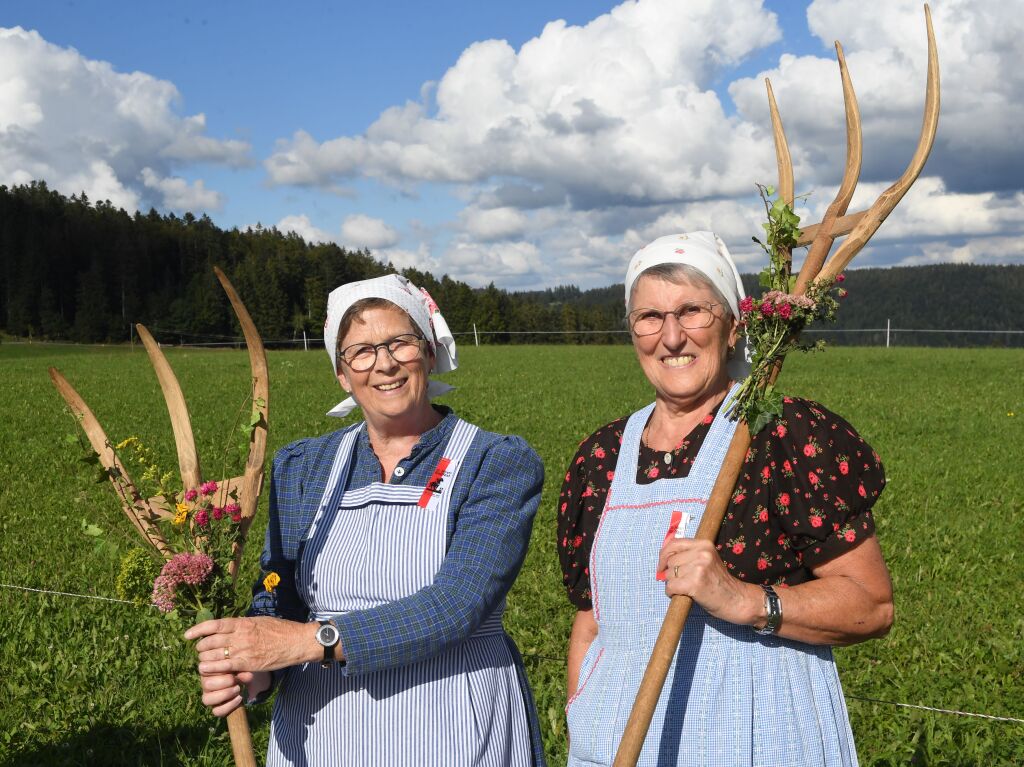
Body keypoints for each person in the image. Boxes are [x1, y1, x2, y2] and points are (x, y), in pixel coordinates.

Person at [558, 232, 893, 766]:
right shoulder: (600, 458)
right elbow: (592, 622)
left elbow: (871, 604)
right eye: (649, 317)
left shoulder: (782, 434)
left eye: (692, 311)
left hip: (758, 738)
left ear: (734, 327)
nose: (671, 337)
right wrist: (583, 722)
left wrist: (743, 599)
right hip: (617, 743)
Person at [185, 273, 547, 766]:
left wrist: (305, 641)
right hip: (324, 732)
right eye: (361, 351)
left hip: (453, 724)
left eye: (400, 343)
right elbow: (277, 591)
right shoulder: (303, 467)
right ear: (341, 372)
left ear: (431, 351)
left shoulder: (493, 462)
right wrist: (256, 671)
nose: (385, 364)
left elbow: (456, 606)